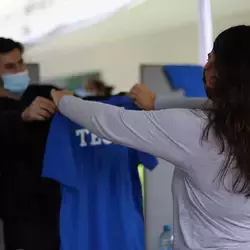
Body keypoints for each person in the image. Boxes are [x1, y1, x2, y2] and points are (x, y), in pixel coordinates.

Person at [51, 25, 250, 250]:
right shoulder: (229, 122)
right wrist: (156, 103)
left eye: (210, 59)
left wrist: (64, 101)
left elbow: (110, 122)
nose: (205, 67)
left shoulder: (196, 130)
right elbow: (216, 108)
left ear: (217, 74)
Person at [0, 37, 60, 250]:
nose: (19, 71)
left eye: (20, 63)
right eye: (9, 67)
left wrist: (122, 100)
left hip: (58, 208)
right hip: (21, 219)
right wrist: (22, 118)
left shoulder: (44, 94)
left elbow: (90, 107)